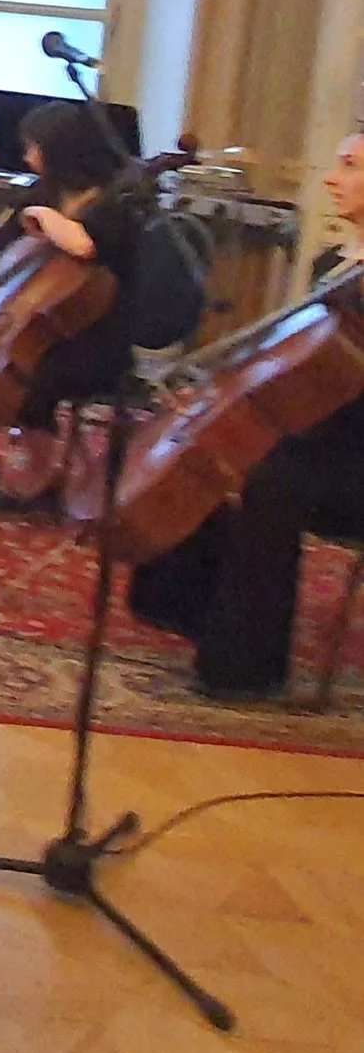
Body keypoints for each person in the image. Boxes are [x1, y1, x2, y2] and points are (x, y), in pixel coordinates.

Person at [127, 133, 364, 698]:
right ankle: (197, 612)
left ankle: (248, 671)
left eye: (350, 166)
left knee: (269, 478)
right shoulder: (335, 263)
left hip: (354, 453)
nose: (332, 179)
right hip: (315, 431)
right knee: (218, 444)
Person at [0, 99, 143, 504]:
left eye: (33, 146)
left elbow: (85, 245)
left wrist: (43, 216)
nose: (27, 155)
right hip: (39, 320)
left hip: (94, 335)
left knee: (25, 376)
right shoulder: (45, 192)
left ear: (60, 149)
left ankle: (40, 475)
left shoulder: (115, 204)